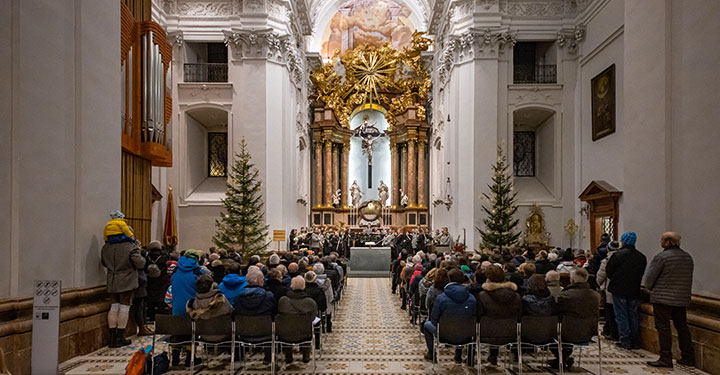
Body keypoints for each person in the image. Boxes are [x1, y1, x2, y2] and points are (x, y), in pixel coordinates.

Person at [643, 232, 695, 368]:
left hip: (663, 298)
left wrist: (649, 288)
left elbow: (649, 279)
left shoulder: (662, 257)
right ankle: (688, 357)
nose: (660, 242)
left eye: (662, 240)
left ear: (667, 242)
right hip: (681, 299)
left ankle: (665, 357)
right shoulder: (687, 257)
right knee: (682, 327)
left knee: (663, 328)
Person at [549, 268, 600, 370]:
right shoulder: (596, 296)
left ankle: (562, 359)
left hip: (566, 332)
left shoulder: (565, 295)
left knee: (547, 332)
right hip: (589, 332)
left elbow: (556, 312)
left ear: (572, 279)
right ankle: (564, 358)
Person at [423, 269, 476, 363]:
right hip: (466, 335)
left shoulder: (441, 298)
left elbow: (434, 320)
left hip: (444, 334)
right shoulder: (472, 298)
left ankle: (431, 353)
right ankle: (458, 355)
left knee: (426, 325)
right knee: (463, 322)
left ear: (449, 279)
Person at [101, 236, 145, 347]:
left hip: (112, 279)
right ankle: (120, 337)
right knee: (124, 307)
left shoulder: (106, 246)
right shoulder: (130, 247)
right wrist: (139, 252)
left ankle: (112, 338)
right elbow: (140, 263)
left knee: (114, 307)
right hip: (126, 280)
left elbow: (104, 263)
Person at [606, 232, 647, 350]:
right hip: (634, 289)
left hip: (619, 289)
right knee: (633, 315)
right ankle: (635, 341)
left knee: (621, 315)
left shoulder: (618, 255)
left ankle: (625, 340)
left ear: (623, 241)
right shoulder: (641, 256)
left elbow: (609, 272)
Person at [477, 265, 522, 365]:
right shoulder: (516, 296)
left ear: (488, 278)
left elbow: (479, 316)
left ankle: (493, 355)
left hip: (487, 333)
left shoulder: (483, 295)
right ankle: (495, 355)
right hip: (510, 333)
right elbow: (519, 315)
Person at [234, 266, 276, 365]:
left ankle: (238, 356)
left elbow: (236, 312)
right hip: (265, 332)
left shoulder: (239, 297)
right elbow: (274, 312)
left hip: (244, 332)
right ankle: (268, 357)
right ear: (257, 281)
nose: (263, 282)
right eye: (262, 280)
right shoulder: (268, 296)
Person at [277, 276, 317, 364]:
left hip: (285, 334)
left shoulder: (283, 300)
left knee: (288, 326)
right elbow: (313, 317)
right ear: (304, 286)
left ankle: (288, 356)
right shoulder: (309, 302)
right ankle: (306, 356)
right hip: (304, 333)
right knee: (305, 327)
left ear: (291, 286)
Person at [187, 274, 233, 342]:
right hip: (223, 334)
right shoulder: (221, 300)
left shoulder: (193, 303)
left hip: (204, 335)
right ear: (211, 286)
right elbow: (231, 311)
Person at [596, 240, 620, 341]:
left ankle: (612, 332)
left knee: (610, 312)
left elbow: (601, 275)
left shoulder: (606, 260)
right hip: (621, 288)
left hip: (609, 288)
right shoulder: (621, 258)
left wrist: (598, 284)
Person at [145, 241, 170, 321]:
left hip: (150, 280)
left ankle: (151, 316)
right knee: (161, 299)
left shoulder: (147, 257)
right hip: (161, 281)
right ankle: (160, 317)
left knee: (150, 300)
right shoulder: (164, 257)